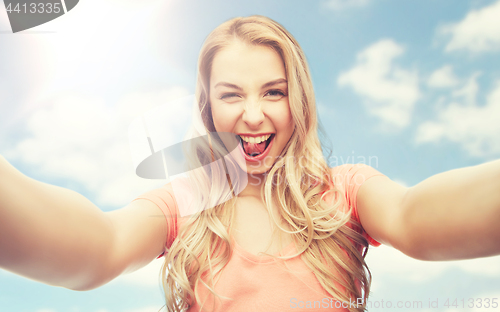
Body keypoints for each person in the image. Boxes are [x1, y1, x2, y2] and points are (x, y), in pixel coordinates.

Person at [0, 15, 499, 312]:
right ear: (208, 107)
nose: (254, 114)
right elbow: (97, 248)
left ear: (297, 101)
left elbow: (415, 217)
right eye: (231, 94)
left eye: (274, 92)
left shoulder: (344, 194)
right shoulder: (183, 207)